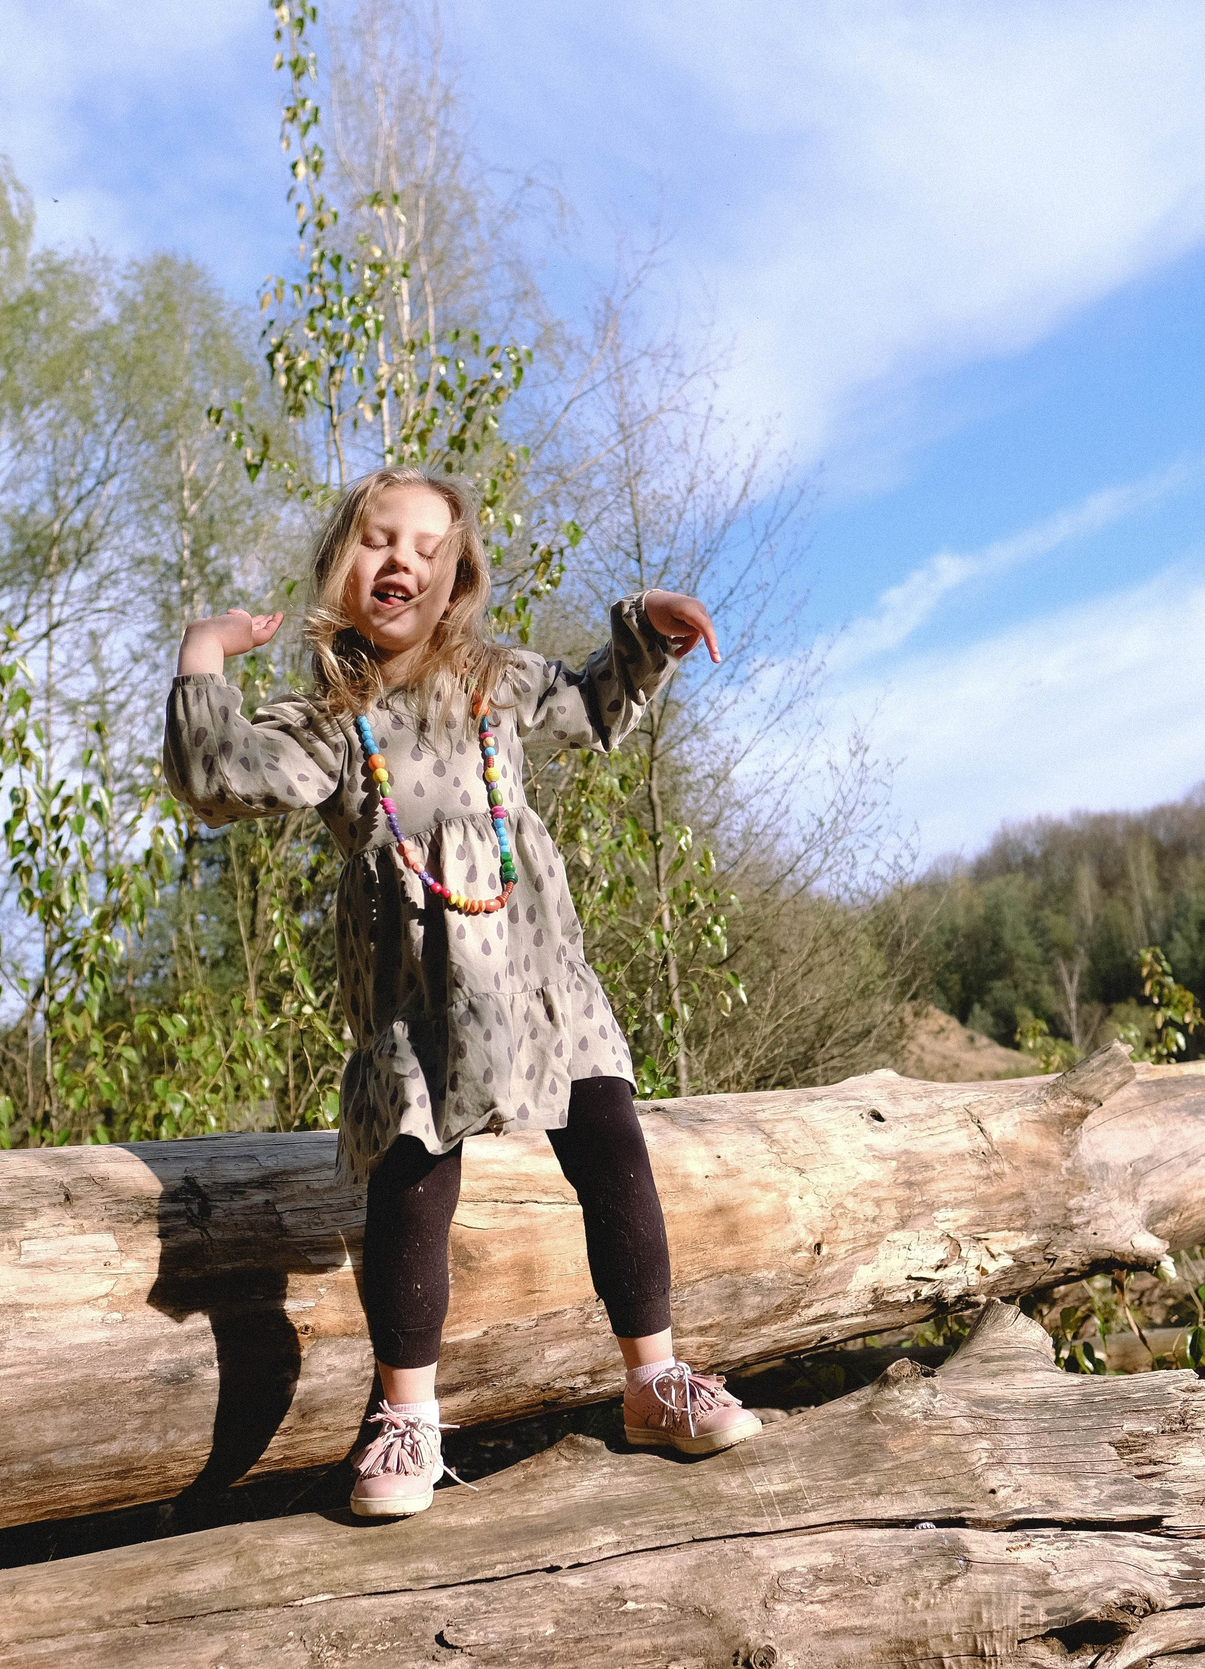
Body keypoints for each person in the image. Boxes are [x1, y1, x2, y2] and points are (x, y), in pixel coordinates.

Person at [163, 465, 761, 1519]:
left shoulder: (496, 679)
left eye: (426, 551)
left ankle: (651, 1377)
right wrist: (204, 654)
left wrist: (647, 633)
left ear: (457, 583)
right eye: (377, 540)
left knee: (611, 1140)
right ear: (341, 569)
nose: (400, 560)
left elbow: (592, 706)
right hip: (414, 989)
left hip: (536, 971)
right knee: (412, 1176)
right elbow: (219, 781)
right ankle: (407, 1418)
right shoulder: (327, 723)